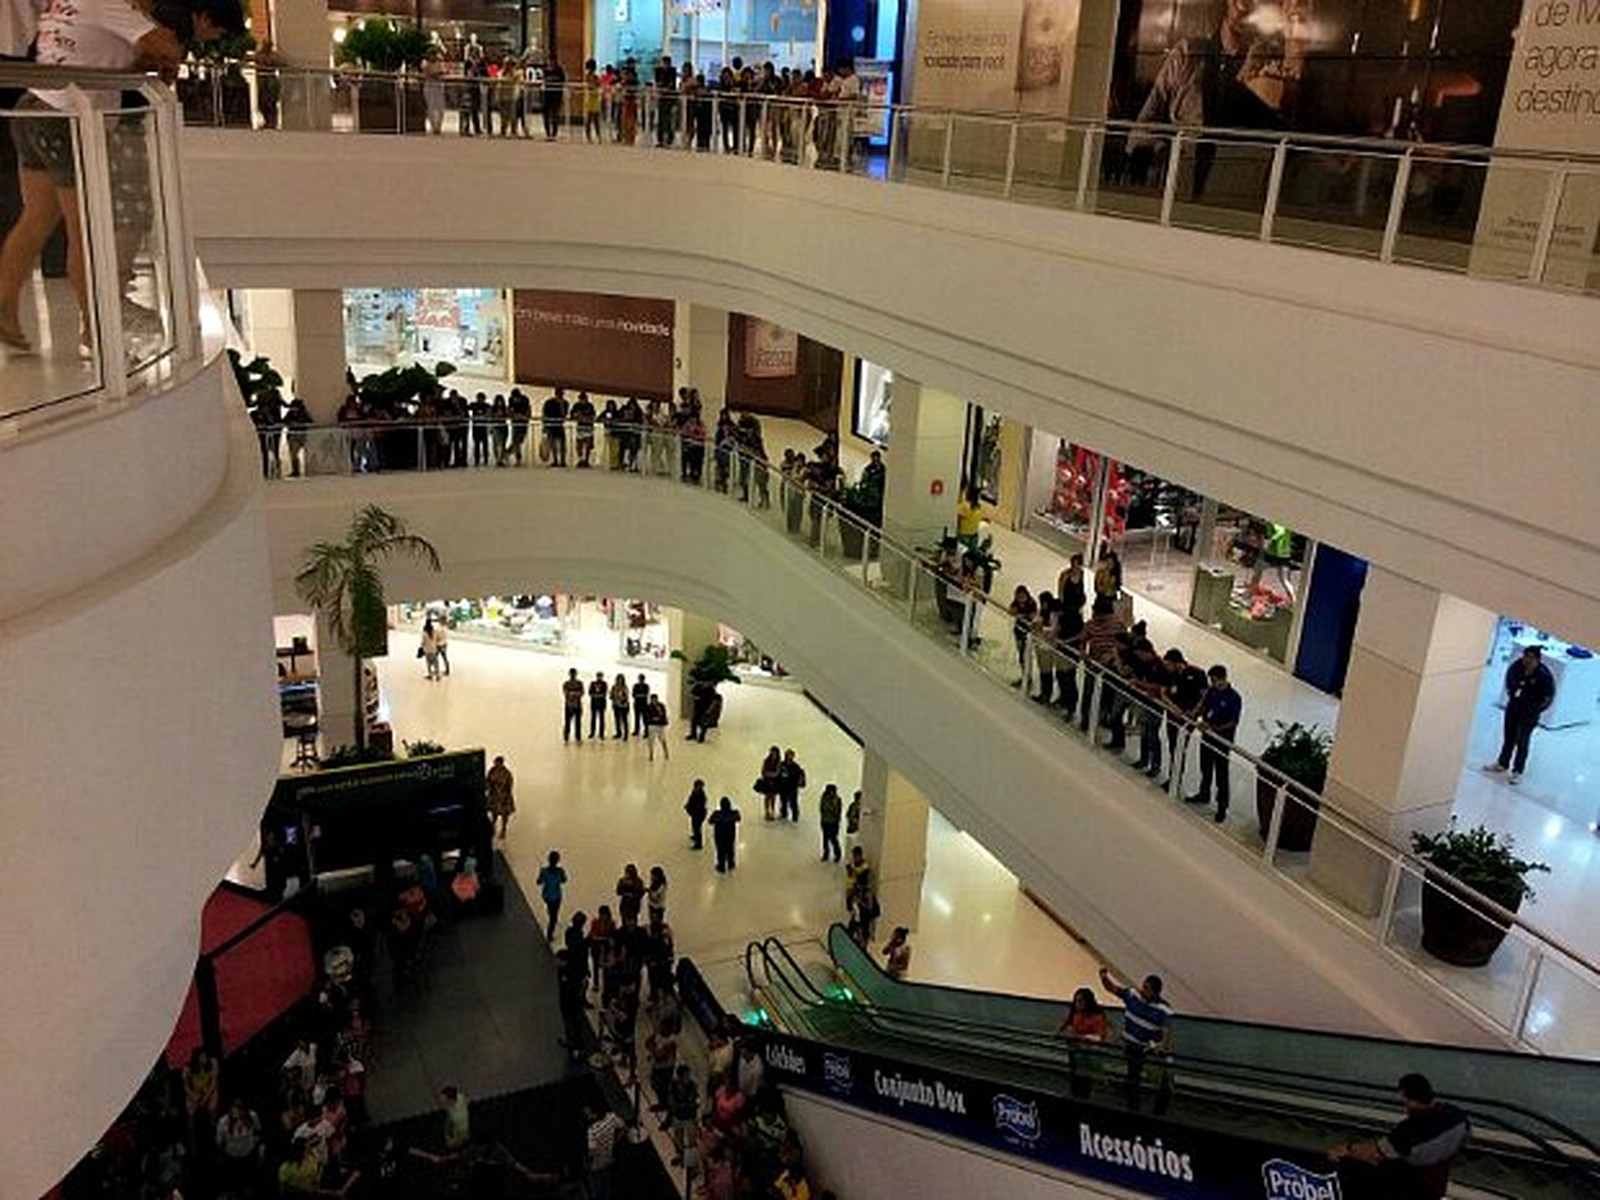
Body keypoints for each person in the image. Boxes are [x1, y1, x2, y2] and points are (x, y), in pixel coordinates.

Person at [0, 0, 242, 355]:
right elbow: (162, 45)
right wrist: (160, 53)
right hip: (67, 117)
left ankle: (5, 308)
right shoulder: (108, 4)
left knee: (36, 219)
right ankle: (97, 331)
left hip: (34, 105)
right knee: (87, 232)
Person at [1329, 1073, 1470, 1199]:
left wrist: (1347, 1149)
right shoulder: (1457, 1116)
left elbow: (1375, 1153)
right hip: (1436, 1186)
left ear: (1410, 1100)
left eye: (1404, 1099)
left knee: (1351, 1168)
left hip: (1411, 1187)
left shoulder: (1409, 1129)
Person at [1098, 965, 1172, 1113]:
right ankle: (1133, 1109)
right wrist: (1104, 976)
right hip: (1132, 1045)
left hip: (1150, 1049)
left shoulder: (1163, 1009)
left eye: (1147, 989)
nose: (1143, 990)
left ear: (1155, 992)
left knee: (1161, 1082)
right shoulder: (1132, 995)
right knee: (1133, 1079)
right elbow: (1112, 988)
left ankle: (1159, 1112)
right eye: (1143, 986)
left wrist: (1162, 1045)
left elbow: (1166, 1031)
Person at [1485, 645, 1556, 784]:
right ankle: (1502, 763)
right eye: (1526, 656)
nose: (1527, 660)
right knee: (1508, 737)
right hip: (1514, 708)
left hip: (1529, 714)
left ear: (1537, 660)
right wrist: (1513, 696)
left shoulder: (1543, 676)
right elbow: (1509, 682)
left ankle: (1517, 771)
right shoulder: (1516, 667)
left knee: (1522, 742)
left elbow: (1548, 697)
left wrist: (1536, 709)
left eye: (1531, 658)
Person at [1185, 664, 1241, 822]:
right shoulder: (1211, 691)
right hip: (1207, 735)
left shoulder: (1234, 698)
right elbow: (1203, 706)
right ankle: (1204, 793)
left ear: (1223, 678)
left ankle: (1222, 806)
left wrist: (1213, 728)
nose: (1212, 683)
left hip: (1222, 740)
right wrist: (1195, 715)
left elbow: (1233, 722)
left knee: (1221, 774)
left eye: (1215, 680)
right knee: (1206, 767)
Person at [1057, 986, 1110, 1098]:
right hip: (1075, 1052)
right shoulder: (1075, 1014)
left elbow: (1100, 1037)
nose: (1077, 1004)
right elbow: (1061, 1030)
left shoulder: (1097, 1017)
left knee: (1085, 1081)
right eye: (1076, 1001)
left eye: (1080, 1001)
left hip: (1088, 1054)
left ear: (1087, 1002)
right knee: (1075, 1079)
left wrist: (1080, 1037)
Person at [584, 1102, 626, 1199]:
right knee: (609, 1189)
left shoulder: (592, 1130)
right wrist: (614, 1142)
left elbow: (592, 1152)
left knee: (597, 1193)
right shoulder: (611, 1117)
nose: (587, 1116)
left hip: (598, 1165)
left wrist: (587, 1164)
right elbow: (624, 1128)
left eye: (588, 1113)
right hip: (610, 1159)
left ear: (594, 1113)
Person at [536, 850, 567, 941]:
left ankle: (551, 924)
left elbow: (539, 882)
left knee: (552, 913)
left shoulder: (544, 871)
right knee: (554, 915)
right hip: (556, 896)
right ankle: (550, 932)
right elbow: (564, 880)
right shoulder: (560, 871)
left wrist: (541, 876)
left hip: (547, 896)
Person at [485, 755, 515, 840]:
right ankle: (493, 828)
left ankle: (503, 831)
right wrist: (489, 790)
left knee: (504, 816)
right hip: (495, 796)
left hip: (504, 796)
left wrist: (506, 796)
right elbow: (488, 781)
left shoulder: (506, 773)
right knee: (494, 814)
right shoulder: (492, 771)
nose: (496, 764)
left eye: (497, 763)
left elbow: (509, 785)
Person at [710, 796, 741, 873]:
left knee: (720, 850)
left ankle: (721, 866)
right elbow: (738, 818)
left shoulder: (717, 814)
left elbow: (710, 821)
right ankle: (731, 863)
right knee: (730, 849)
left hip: (719, 836)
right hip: (730, 835)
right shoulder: (734, 813)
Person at [777, 748, 807, 822]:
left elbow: (799, 775)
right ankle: (784, 814)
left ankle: (795, 816)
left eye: (791, 755)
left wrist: (799, 782)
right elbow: (779, 773)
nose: (789, 757)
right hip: (783, 786)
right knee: (783, 801)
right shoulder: (782, 764)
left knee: (793, 802)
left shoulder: (795, 766)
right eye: (788, 755)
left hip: (792, 787)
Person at [817, 783, 842, 863]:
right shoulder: (824, 798)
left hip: (833, 822)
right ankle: (826, 853)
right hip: (825, 821)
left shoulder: (837, 799)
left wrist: (836, 819)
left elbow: (837, 811)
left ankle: (837, 854)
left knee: (833, 839)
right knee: (825, 839)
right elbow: (821, 808)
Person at [645, 692, 670, 761]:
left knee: (662, 739)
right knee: (651, 740)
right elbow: (647, 716)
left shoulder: (661, 706)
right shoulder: (648, 707)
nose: (654, 701)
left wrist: (660, 717)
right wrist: (652, 719)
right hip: (652, 725)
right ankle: (651, 754)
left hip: (660, 725)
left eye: (655, 699)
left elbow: (664, 715)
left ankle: (666, 752)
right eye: (653, 700)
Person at [562, 667, 585, 743]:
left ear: (576, 674)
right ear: (569, 674)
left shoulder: (579, 683)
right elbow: (565, 693)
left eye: (574, 674)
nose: (573, 675)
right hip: (568, 705)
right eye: (571, 674)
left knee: (578, 722)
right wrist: (573, 694)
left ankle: (578, 737)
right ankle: (566, 737)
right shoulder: (566, 683)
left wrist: (573, 694)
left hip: (577, 705)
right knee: (567, 722)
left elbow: (582, 693)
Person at [685, 779, 709, 849]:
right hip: (695, 813)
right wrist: (688, 805)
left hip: (699, 814)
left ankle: (699, 844)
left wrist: (691, 808)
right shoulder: (694, 792)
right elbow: (691, 800)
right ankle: (695, 836)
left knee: (697, 828)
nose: (697, 787)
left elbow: (700, 805)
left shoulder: (701, 795)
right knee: (694, 826)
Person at [588, 670, 610, 740]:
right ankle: (592, 733)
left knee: (601, 719)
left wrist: (597, 695)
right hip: (594, 703)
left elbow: (605, 693)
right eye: (598, 676)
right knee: (593, 719)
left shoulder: (604, 684)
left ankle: (601, 734)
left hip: (601, 703)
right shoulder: (592, 683)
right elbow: (590, 692)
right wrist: (597, 695)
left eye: (600, 676)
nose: (599, 677)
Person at [610, 672, 631, 740]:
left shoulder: (625, 687)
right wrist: (614, 698)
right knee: (617, 720)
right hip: (616, 705)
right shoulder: (614, 687)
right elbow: (611, 695)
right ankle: (618, 733)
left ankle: (626, 734)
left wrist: (621, 699)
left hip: (624, 706)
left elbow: (627, 697)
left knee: (624, 720)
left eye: (621, 679)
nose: (619, 681)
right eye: (618, 679)